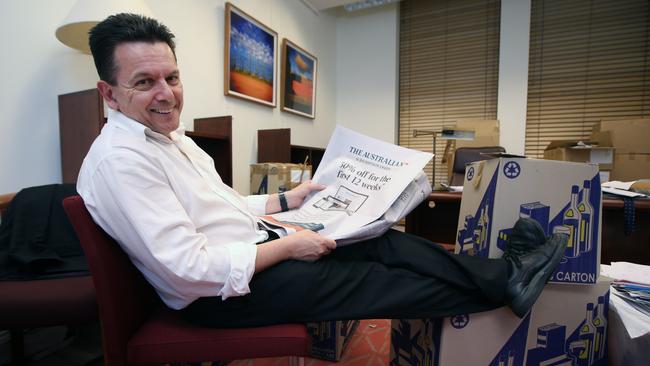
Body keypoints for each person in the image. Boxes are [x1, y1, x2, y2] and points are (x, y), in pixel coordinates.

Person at [77, 13, 568, 328]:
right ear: (109, 92)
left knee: (380, 239)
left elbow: (216, 205)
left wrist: (290, 201)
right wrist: (289, 243)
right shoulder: (121, 162)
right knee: (376, 279)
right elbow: (188, 272)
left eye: (172, 77)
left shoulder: (171, 139)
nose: (166, 93)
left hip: (251, 250)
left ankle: (505, 274)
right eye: (145, 82)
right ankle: (504, 287)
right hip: (221, 296)